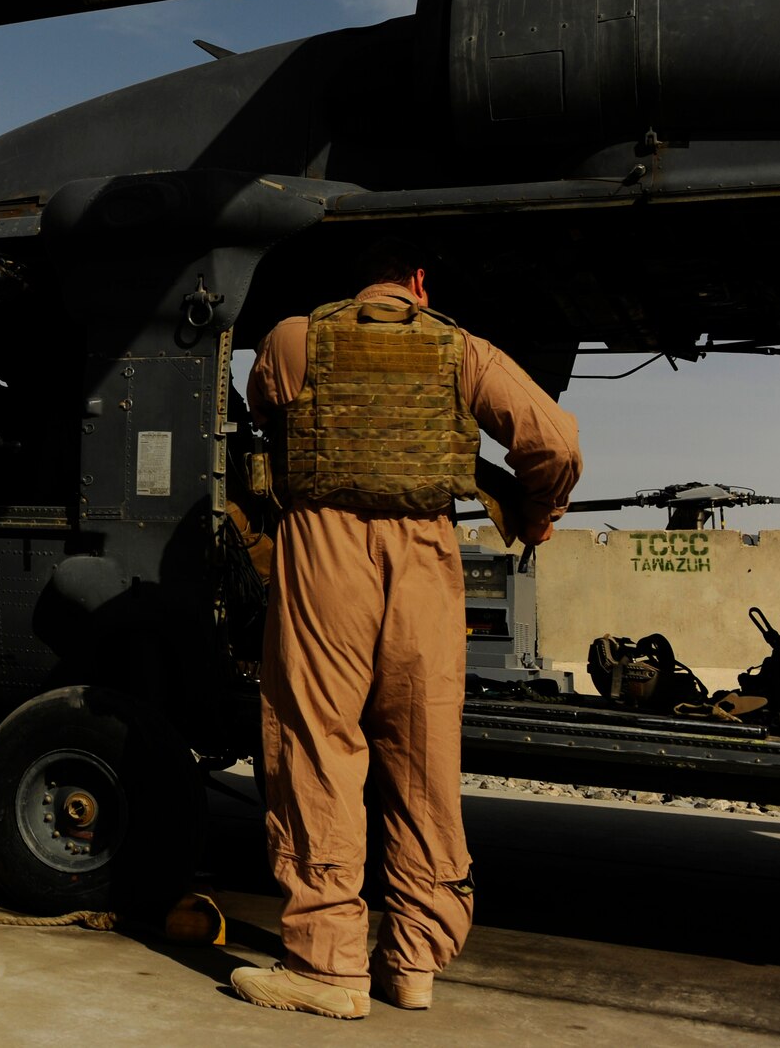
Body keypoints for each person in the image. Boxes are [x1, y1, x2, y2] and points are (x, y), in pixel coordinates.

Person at [231, 241, 581, 1018]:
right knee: (423, 752)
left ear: (349, 281)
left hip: (325, 550)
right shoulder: (464, 350)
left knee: (319, 745)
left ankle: (327, 965)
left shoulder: (292, 339)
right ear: (419, 282)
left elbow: (261, 413)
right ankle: (414, 959)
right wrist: (537, 512)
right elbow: (556, 441)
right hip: (424, 555)